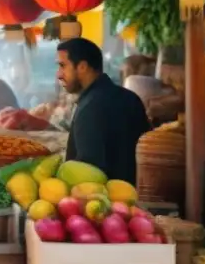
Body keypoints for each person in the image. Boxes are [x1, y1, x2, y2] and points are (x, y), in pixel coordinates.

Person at [58, 38, 149, 183]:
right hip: (132, 198)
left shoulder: (89, 108)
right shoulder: (131, 98)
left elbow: (86, 176)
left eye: (63, 66)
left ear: (82, 67)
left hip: (105, 201)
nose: (59, 74)